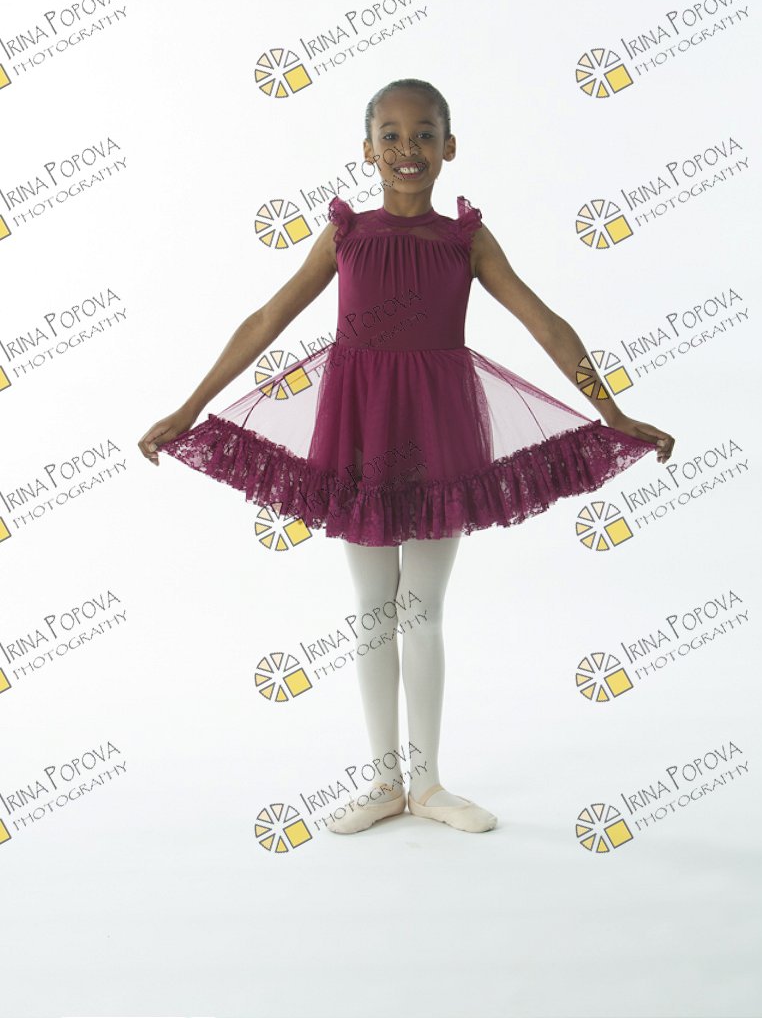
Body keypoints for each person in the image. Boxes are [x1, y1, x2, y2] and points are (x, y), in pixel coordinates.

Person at [138, 78, 674, 835]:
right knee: (372, 611)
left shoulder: (467, 241)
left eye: (424, 134)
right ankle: (384, 782)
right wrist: (189, 408)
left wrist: (613, 413)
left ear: (449, 147)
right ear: (367, 151)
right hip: (359, 431)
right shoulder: (345, 235)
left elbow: (546, 323)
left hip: (438, 431)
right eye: (389, 135)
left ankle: (428, 784)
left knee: (421, 610)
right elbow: (265, 319)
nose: (407, 148)